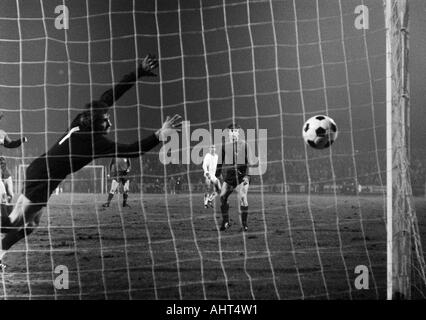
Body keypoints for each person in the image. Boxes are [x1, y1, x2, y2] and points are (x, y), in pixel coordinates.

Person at [0, 54, 182, 270]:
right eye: (107, 120)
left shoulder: (82, 119)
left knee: (30, 225)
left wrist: (138, 73)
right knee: (15, 222)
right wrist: (158, 135)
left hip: (41, 170)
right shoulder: (94, 142)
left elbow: (109, 95)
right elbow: (132, 150)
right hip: (44, 176)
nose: (110, 122)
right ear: (97, 124)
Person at [215, 123, 258, 232]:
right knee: (222, 197)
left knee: (243, 197)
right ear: (228, 133)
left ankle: (244, 225)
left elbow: (251, 162)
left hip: (242, 177)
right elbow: (219, 163)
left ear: (239, 132)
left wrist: (248, 176)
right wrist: (216, 176)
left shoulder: (245, 145)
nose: (234, 133)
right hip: (229, 178)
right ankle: (226, 222)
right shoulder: (224, 146)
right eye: (232, 131)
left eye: (236, 131)